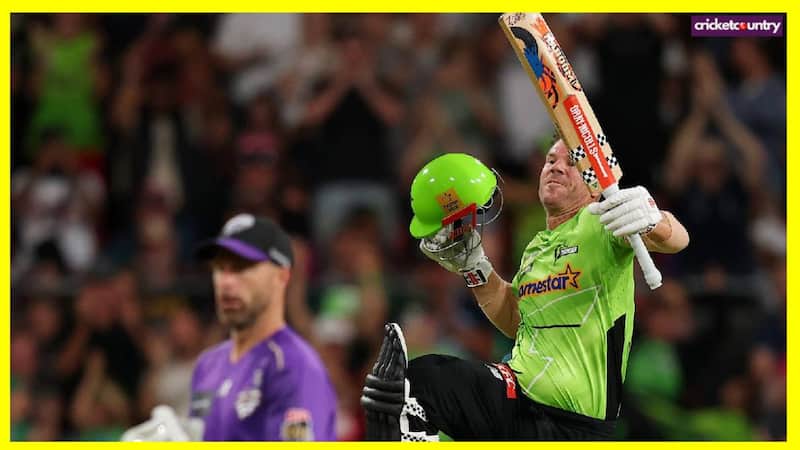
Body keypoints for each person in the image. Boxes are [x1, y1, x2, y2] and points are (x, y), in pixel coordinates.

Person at [360, 143, 690, 441]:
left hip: (573, 424)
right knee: (408, 387)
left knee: (422, 382)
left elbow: (677, 239)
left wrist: (653, 219)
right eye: (550, 160)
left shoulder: (602, 223)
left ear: (594, 183)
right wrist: (475, 268)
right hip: (522, 403)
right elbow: (519, 321)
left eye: (571, 162)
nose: (556, 167)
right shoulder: (536, 247)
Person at [123, 214, 336, 441]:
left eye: (241, 267)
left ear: (281, 276)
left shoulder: (292, 365)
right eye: (219, 268)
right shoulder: (207, 365)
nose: (226, 281)